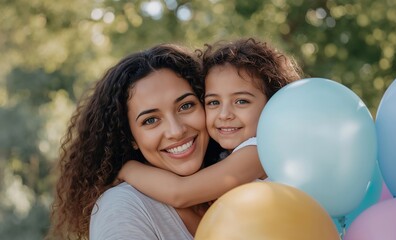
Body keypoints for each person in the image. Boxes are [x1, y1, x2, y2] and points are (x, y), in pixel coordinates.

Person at [47, 44, 223, 240]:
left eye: (186, 106)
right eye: (150, 120)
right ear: (130, 137)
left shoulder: (238, 175)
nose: (176, 131)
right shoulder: (123, 208)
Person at [118, 38, 303, 209]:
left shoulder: (260, 151)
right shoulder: (226, 156)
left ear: (271, 104)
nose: (224, 114)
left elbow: (180, 193)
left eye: (241, 101)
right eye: (213, 102)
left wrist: (126, 169)